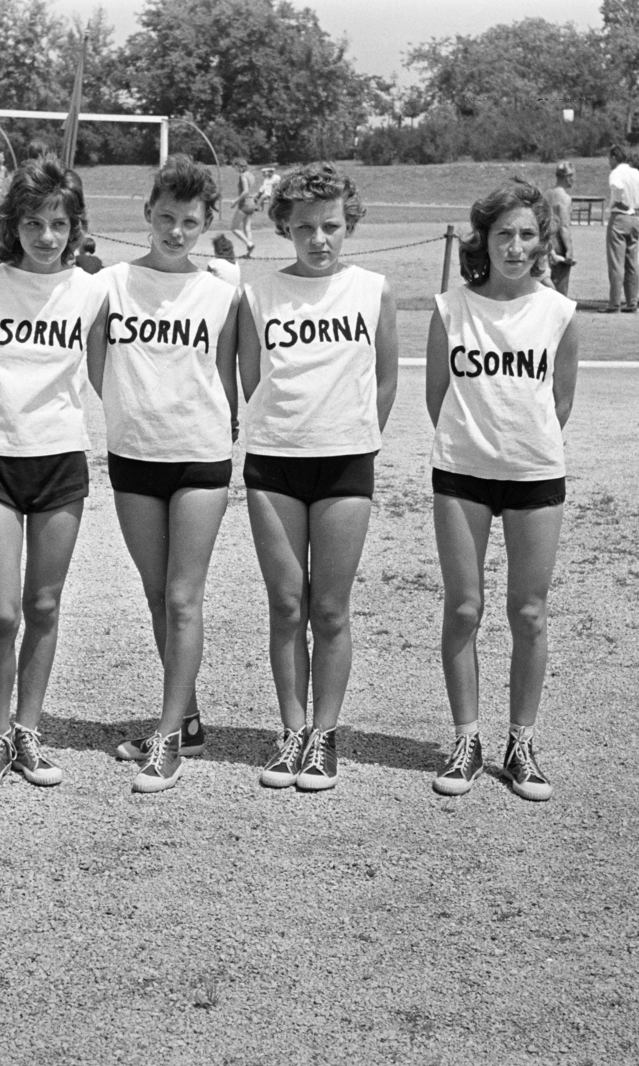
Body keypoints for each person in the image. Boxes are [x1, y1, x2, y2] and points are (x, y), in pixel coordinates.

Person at [236, 162, 398, 792]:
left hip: (345, 461)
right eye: (304, 227)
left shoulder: (372, 289)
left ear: (347, 223)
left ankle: (325, 736)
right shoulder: (259, 294)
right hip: (275, 463)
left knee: (329, 609)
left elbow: (385, 377)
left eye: (330, 226)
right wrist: (290, 427)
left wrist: (357, 433)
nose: (319, 239)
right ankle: (291, 732)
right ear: (284, 228)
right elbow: (255, 380)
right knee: (285, 605)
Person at [86, 155, 240, 794]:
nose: (177, 232)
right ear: (147, 214)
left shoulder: (223, 288)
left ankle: (169, 736)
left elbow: (229, 375)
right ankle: (191, 716)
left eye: (191, 222)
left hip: (200, 455)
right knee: (156, 594)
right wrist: (132, 411)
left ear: (207, 224)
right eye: (168, 218)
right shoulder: (109, 284)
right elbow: (97, 365)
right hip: (133, 454)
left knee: (183, 596)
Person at [0, 156, 108, 791]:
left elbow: (115, 373)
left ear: (75, 228)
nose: (47, 237)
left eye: (60, 224)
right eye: (35, 223)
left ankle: (28, 731)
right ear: (11, 224)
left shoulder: (93, 290)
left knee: (44, 604)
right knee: (2, 610)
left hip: (60, 463)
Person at [426, 179, 580, 803]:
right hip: (461, 472)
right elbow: (436, 397)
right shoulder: (450, 308)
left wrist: (520, 447)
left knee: (529, 611)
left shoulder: (560, 313)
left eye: (526, 235)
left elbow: (559, 402)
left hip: (534, 474)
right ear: (482, 240)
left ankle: (521, 743)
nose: (515, 247)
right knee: (464, 607)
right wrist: (477, 444)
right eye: (503, 235)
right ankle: (467, 739)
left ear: (542, 242)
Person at [603, 144, 639, 313]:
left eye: (609, 158)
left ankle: (614, 302)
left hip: (620, 217)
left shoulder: (616, 173)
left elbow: (616, 186)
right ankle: (632, 301)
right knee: (633, 262)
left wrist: (620, 200)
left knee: (616, 262)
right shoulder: (636, 173)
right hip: (635, 218)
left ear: (614, 158)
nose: (609, 162)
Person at [543, 161, 575, 296]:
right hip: (558, 245)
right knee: (560, 290)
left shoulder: (546, 194)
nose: (574, 179)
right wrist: (569, 249)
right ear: (566, 176)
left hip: (545, 244)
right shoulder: (565, 198)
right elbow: (564, 227)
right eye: (573, 175)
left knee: (545, 285)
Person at [228, 157, 257, 257]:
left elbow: (245, 191)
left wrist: (235, 201)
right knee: (247, 228)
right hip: (252, 204)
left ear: (238, 166)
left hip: (245, 204)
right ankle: (249, 253)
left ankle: (249, 243)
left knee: (234, 228)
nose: (235, 169)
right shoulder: (251, 175)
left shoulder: (243, 176)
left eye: (235, 167)